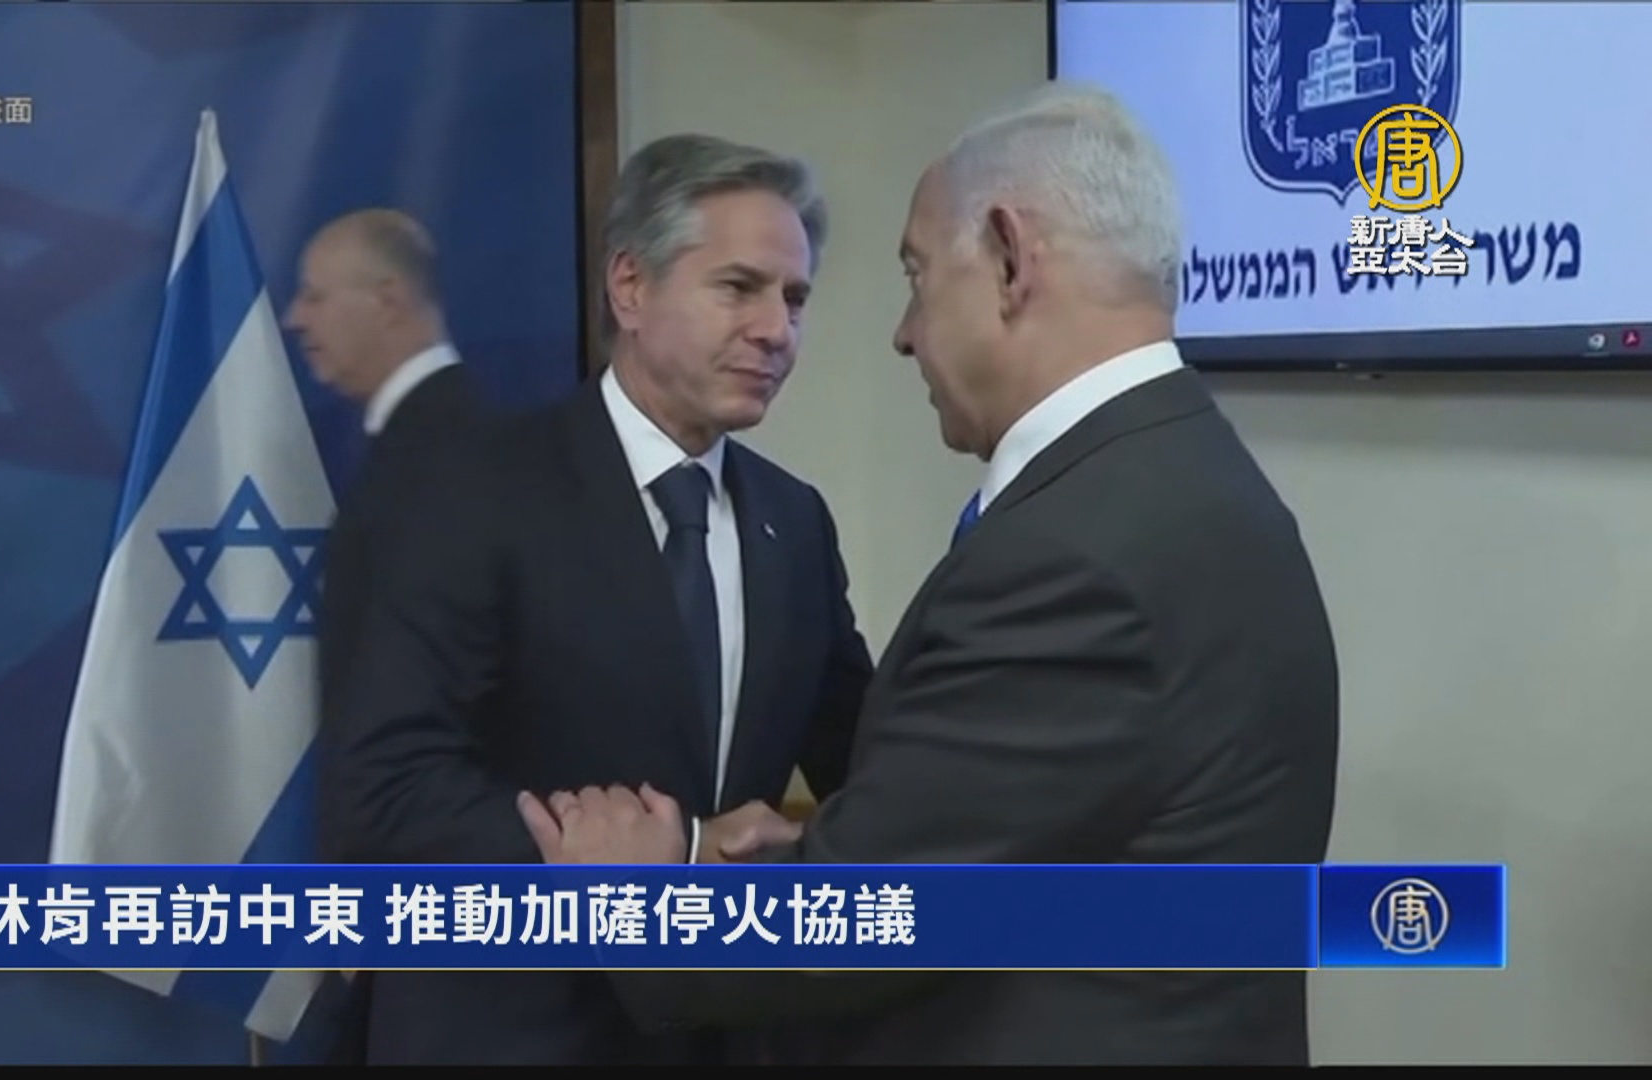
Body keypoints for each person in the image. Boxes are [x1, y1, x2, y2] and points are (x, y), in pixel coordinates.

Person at [516, 82, 1343, 1065]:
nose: (904, 331)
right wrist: (826, 852)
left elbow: (868, 923)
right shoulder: (1182, 478)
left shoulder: (1076, 558)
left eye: (916, 275)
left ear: (1009, 257)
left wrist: (633, 896)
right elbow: (1009, 836)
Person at [322, 133, 874, 1063]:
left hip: (721, 1037)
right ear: (630, 286)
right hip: (505, 1033)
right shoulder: (471, 490)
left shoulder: (796, 521)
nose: (777, 329)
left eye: (795, 298)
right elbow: (387, 787)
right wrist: (682, 849)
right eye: (739, 288)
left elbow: (865, 761)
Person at [283, 208, 490, 1064]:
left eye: (315, 295)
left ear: (389, 298)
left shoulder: (445, 460)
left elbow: (425, 704)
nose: (296, 317)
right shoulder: (426, 446)